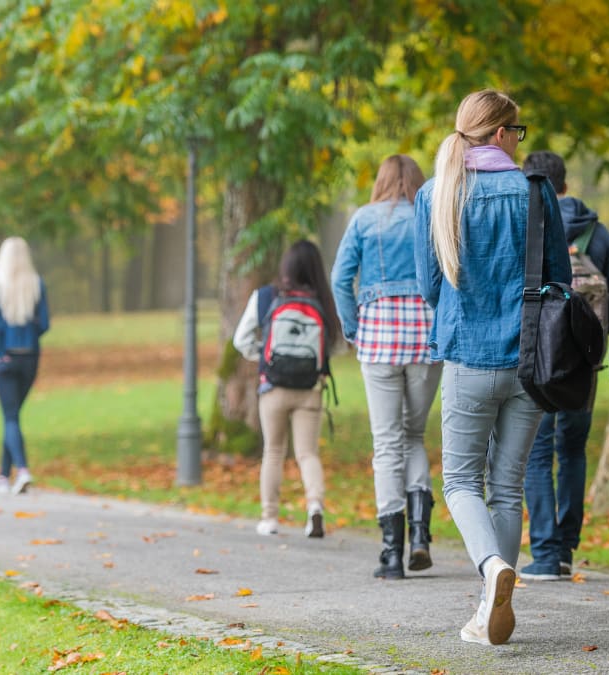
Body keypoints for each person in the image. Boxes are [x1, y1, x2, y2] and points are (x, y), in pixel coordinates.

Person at [414, 89, 570, 645]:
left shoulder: (436, 193)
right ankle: (490, 605)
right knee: (507, 487)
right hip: (530, 361)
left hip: (467, 357)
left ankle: (490, 570)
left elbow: (430, 286)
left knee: (459, 480)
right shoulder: (536, 191)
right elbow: (559, 280)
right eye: (518, 132)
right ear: (502, 134)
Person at [517, 150, 609, 581]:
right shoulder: (596, 231)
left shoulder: (528, 224)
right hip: (583, 364)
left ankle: (544, 555)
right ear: (563, 184)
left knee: (538, 451)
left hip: (539, 361)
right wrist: (592, 343)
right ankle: (565, 550)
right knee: (573, 450)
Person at [331, 155, 443, 580]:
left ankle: (391, 554)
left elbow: (341, 279)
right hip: (425, 338)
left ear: (379, 181)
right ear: (416, 181)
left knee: (386, 442)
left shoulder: (364, 219)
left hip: (379, 340)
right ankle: (419, 537)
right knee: (413, 434)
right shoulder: (430, 218)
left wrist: (353, 329)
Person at [233, 240, 341, 539]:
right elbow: (338, 346)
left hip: (273, 388)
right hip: (310, 389)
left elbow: (240, 340)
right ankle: (315, 508)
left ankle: (269, 518)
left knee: (274, 451)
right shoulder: (323, 299)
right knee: (307, 453)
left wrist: (264, 358)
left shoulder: (265, 296)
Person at [0, 236, 50, 496]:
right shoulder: (36, 285)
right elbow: (44, 323)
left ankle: (21, 470)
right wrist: (28, 337)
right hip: (29, 357)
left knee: (11, 417)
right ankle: (2, 475)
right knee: (13, 417)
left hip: (4, 358)